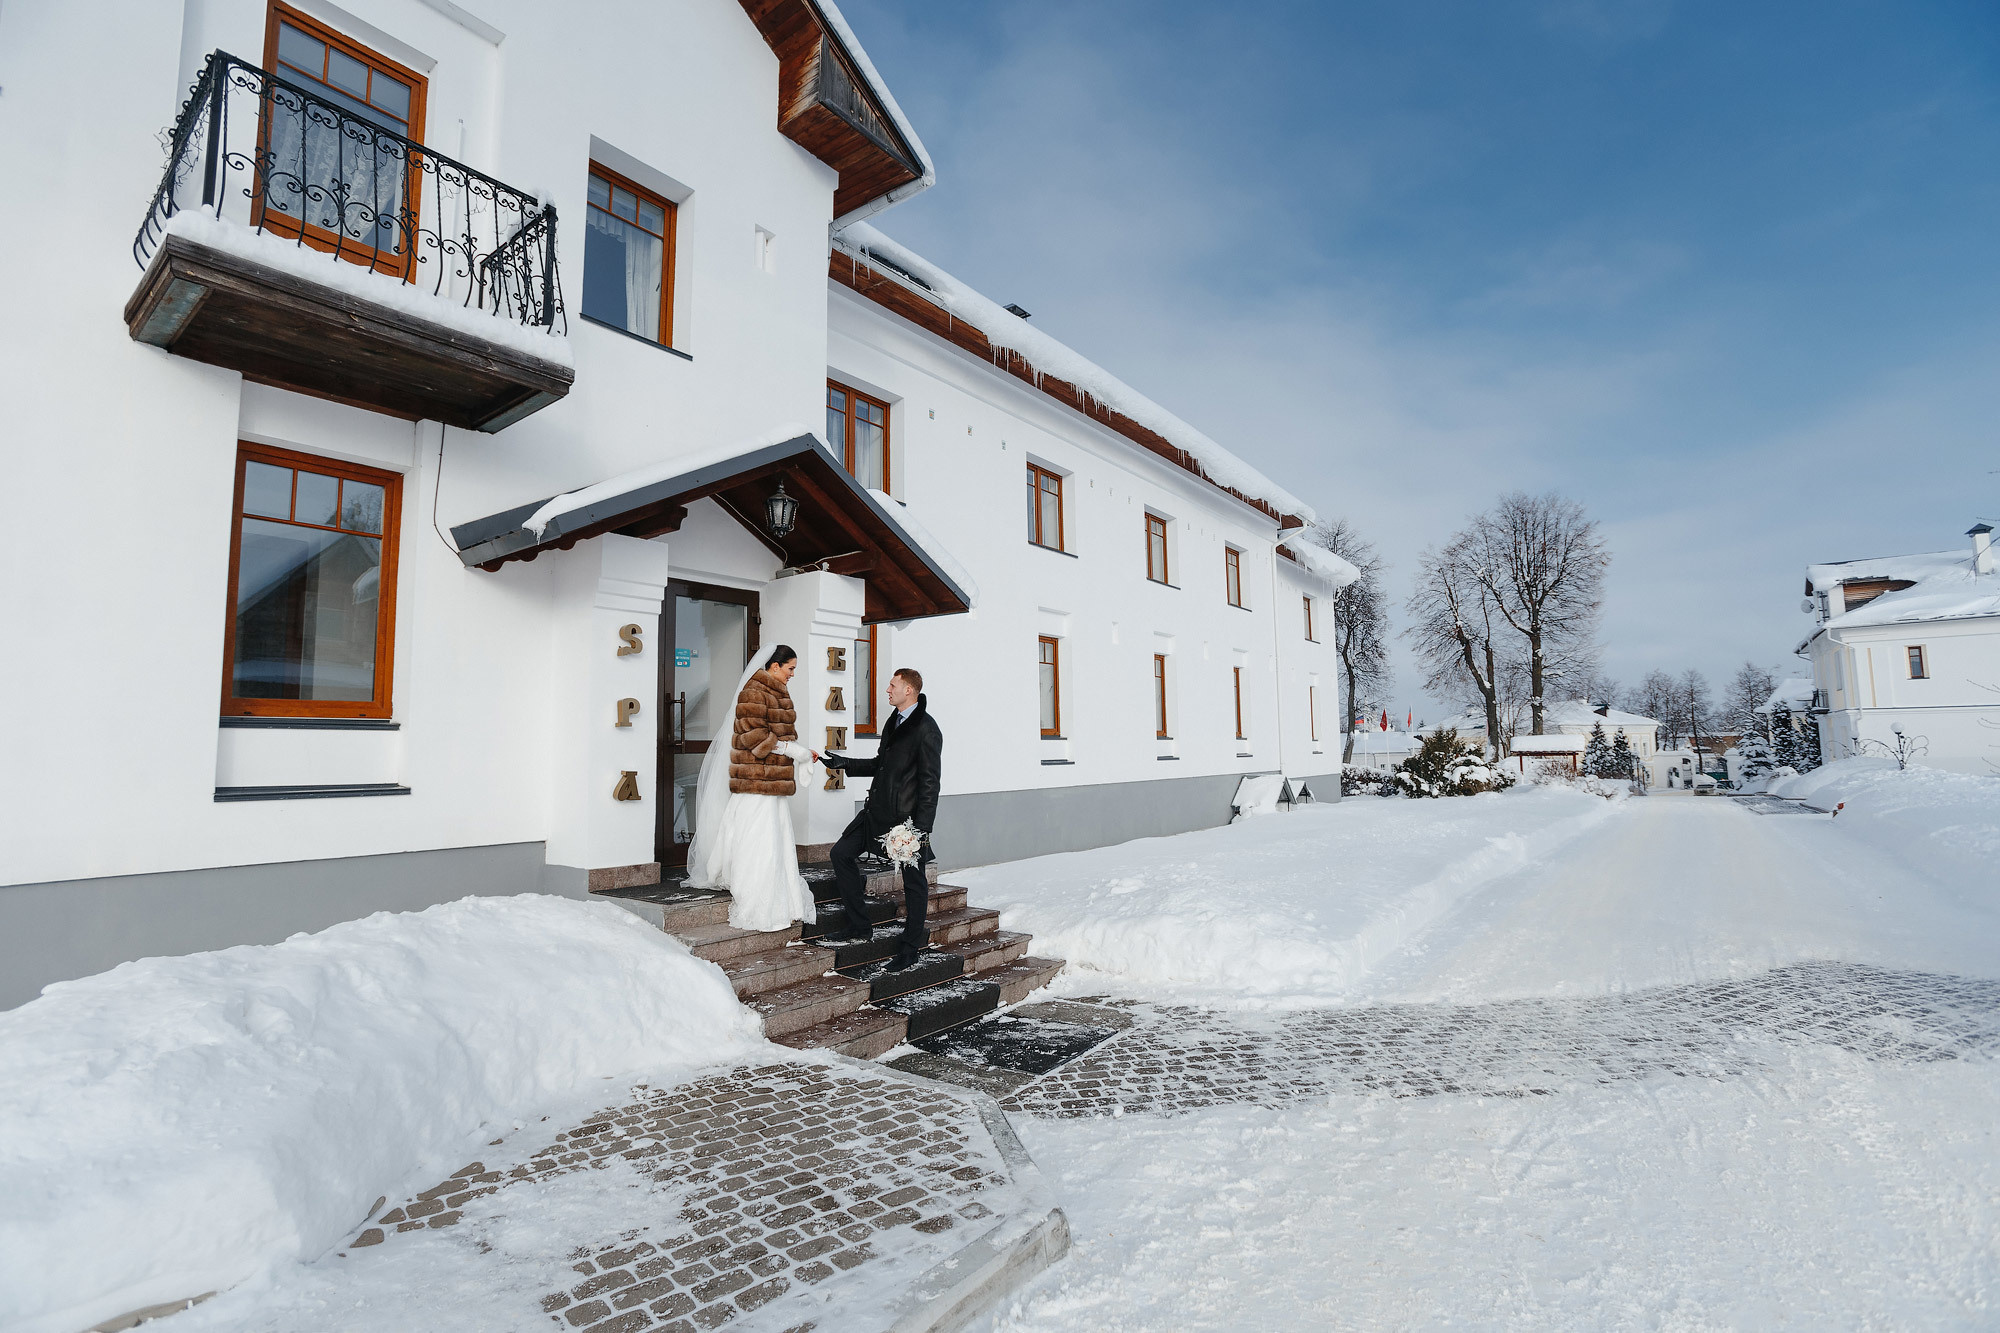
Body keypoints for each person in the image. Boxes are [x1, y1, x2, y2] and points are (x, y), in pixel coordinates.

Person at [684, 645, 818, 932]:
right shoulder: (754, 692)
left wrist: (801, 751)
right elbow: (753, 737)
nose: (793, 674)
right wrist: (793, 750)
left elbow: (777, 735)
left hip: (771, 780)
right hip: (757, 780)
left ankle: (779, 891)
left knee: (773, 836)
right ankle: (755, 891)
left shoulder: (776, 690)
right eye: (790, 668)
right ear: (774, 666)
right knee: (757, 836)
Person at [819, 667, 942, 971]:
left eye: (892, 686)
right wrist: (844, 763)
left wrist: (921, 829)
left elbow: (930, 783)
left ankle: (911, 946)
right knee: (841, 854)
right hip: (877, 814)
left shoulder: (926, 729)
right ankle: (860, 925)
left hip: (904, 823)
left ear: (909, 691)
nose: (887, 690)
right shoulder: (894, 721)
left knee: (913, 883)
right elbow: (881, 764)